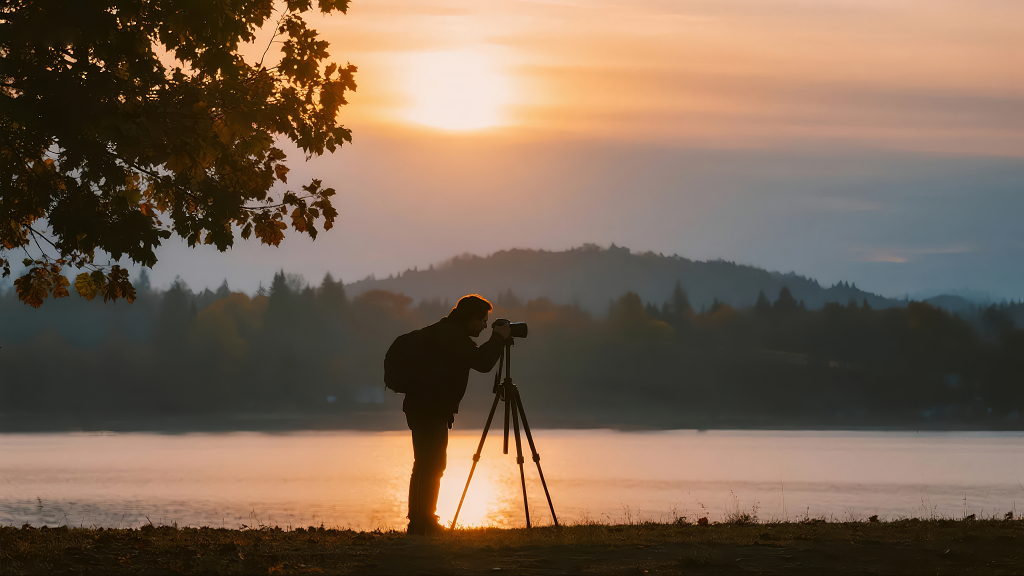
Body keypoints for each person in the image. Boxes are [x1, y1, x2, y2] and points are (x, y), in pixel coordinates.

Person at [403, 294, 511, 536]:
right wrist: (498, 339)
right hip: (428, 408)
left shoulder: (446, 333)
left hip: (425, 407)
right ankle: (422, 523)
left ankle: (421, 520)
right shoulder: (451, 336)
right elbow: (482, 362)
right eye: (483, 321)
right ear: (471, 318)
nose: (485, 326)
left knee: (427, 464)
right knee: (430, 465)